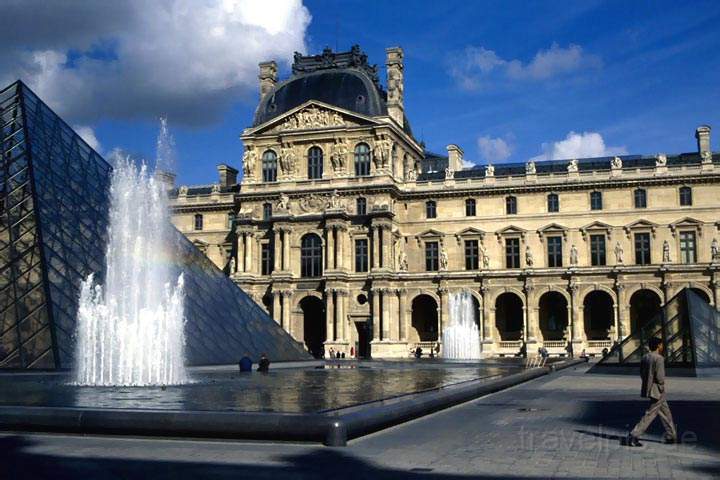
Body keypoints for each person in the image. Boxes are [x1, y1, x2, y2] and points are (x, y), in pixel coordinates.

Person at [627, 337, 677, 447]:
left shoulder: (645, 357)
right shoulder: (659, 358)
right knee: (651, 413)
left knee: (665, 412)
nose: (662, 346)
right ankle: (633, 435)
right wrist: (661, 386)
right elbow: (660, 377)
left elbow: (642, 373)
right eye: (661, 344)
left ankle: (671, 436)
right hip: (658, 390)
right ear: (658, 346)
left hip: (649, 388)